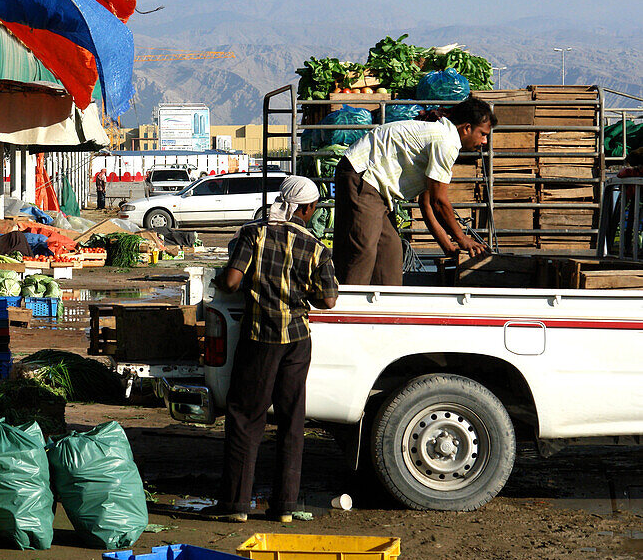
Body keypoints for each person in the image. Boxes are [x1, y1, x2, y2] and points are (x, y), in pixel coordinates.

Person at [203, 175, 338, 523]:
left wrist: (218, 281)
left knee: (246, 418)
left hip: (260, 337)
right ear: (308, 209)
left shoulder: (254, 233)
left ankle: (235, 506)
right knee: (292, 421)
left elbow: (232, 280)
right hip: (297, 340)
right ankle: (285, 507)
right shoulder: (317, 248)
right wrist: (302, 295)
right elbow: (329, 299)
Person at [333, 96, 496, 286]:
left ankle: (385, 309)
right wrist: (462, 238)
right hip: (362, 175)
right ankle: (348, 308)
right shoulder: (446, 141)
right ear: (466, 128)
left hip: (379, 190)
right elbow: (439, 202)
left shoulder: (443, 139)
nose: (485, 141)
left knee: (390, 253)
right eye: (483, 134)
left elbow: (426, 204)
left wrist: (449, 247)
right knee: (362, 248)